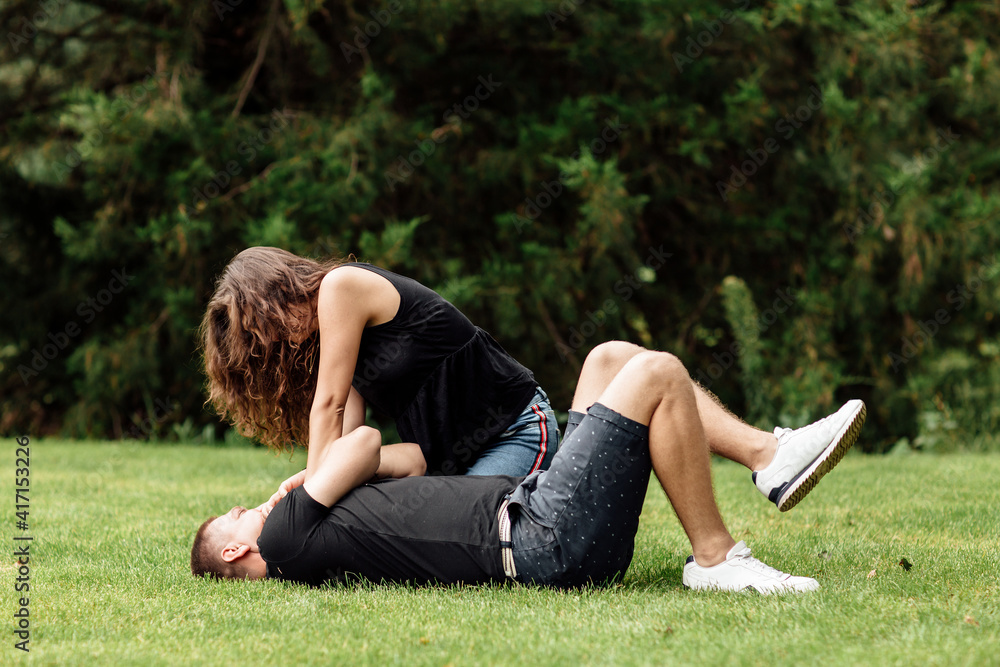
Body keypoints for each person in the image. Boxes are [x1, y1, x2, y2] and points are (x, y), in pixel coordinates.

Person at [190, 342, 866, 594]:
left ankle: (770, 457)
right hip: (542, 539)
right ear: (234, 548)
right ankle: (715, 559)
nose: (250, 507)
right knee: (657, 372)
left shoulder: (318, 532)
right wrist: (293, 489)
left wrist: (319, 479)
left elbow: (408, 458)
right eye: (237, 514)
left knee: (608, 360)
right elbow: (362, 440)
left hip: (538, 512)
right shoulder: (285, 540)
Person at [199, 246, 558, 477]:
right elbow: (348, 438)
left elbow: (330, 405)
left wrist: (307, 502)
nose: (277, 338)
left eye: (267, 324)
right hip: (453, 465)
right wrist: (306, 480)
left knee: (475, 541)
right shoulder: (331, 336)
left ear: (278, 291)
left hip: (515, 431)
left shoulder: (341, 287)